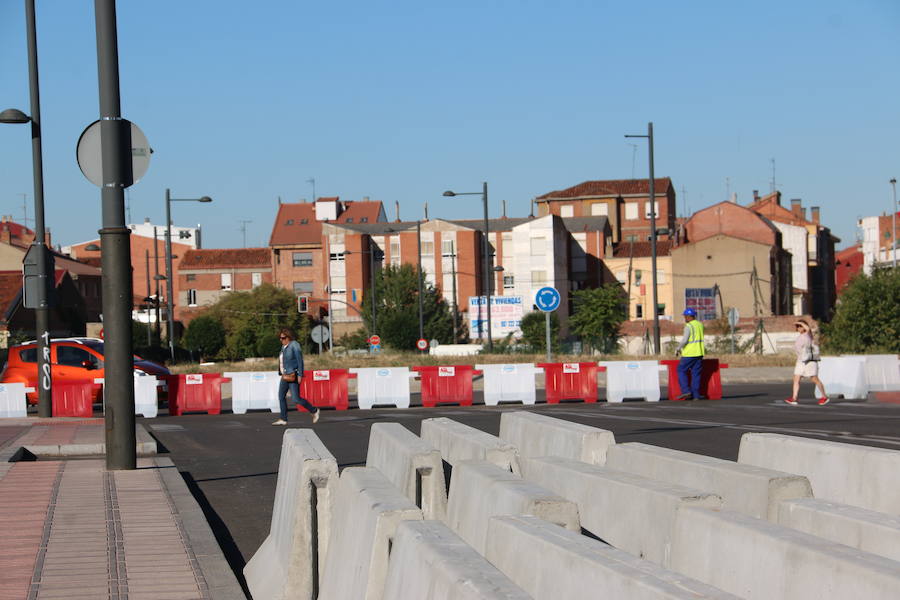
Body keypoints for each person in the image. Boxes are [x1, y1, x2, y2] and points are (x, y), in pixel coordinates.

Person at [273, 327, 320, 425]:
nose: (281, 340)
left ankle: (314, 410)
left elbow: (300, 361)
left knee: (296, 398)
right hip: (284, 375)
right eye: (280, 338)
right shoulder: (283, 347)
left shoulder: (294, 345)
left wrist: (300, 375)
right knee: (281, 396)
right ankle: (283, 419)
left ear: (289, 337)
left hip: (293, 375)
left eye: (283, 338)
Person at [785, 319, 828, 406]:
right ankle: (794, 398)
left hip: (809, 361)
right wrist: (799, 324)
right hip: (801, 361)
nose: (798, 328)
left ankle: (824, 396)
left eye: (800, 326)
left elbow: (808, 329)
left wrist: (800, 323)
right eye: (797, 327)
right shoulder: (800, 336)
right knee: (796, 378)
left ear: (804, 327)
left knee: (814, 379)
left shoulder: (808, 335)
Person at [675, 308, 706, 400]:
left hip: (689, 353)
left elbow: (685, 340)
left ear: (688, 316)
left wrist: (678, 348)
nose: (684, 318)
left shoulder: (688, 326)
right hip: (699, 353)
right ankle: (696, 395)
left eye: (685, 316)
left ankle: (686, 391)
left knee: (681, 370)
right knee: (696, 373)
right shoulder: (700, 325)